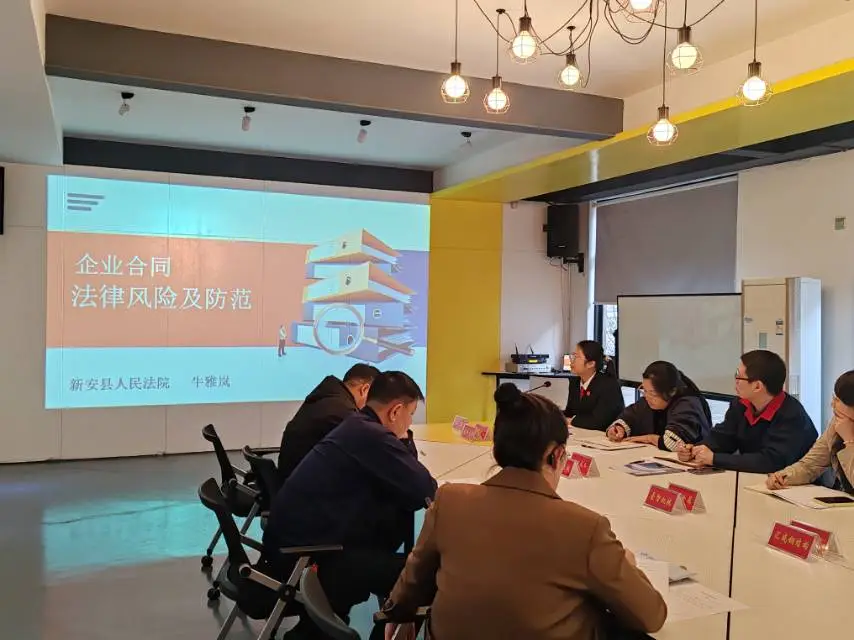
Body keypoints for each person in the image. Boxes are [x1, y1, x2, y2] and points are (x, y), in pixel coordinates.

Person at [380, 383, 667, 640]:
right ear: (557, 455)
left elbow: (411, 585)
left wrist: (397, 612)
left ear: (497, 450)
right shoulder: (585, 528)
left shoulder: (450, 501)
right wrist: (628, 566)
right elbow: (651, 616)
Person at [264, 371, 437, 640]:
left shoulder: (356, 425)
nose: (410, 422)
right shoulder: (372, 436)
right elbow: (424, 489)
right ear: (395, 411)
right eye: (411, 414)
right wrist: (404, 438)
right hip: (315, 556)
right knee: (420, 576)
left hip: (297, 545)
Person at [678, 350, 817, 473]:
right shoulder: (740, 404)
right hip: (755, 479)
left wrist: (714, 459)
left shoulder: (791, 415)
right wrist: (694, 449)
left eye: (739, 376)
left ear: (757, 386)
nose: (735, 381)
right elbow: (723, 437)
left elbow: (771, 461)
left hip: (797, 485)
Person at [276, 363, 380, 483]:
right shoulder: (342, 413)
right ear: (365, 389)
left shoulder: (326, 400)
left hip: (296, 482)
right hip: (308, 488)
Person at [767, 370, 854, 494]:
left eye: (839, 400)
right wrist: (782, 476)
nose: (832, 404)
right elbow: (809, 466)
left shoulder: (843, 426)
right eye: (834, 398)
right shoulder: (837, 424)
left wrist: (849, 441)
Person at [605, 361, 711, 451]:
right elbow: (629, 416)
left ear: (672, 391)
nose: (647, 397)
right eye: (644, 390)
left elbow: (674, 443)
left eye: (653, 393)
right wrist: (619, 429)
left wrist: (650, 438)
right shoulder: (649, 400)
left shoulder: (688, 403)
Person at [564, 340, 625, 431]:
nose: (571, 360)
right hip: (582, 432)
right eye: (572, 355)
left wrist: (571, 421)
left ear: (591, 364)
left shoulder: (608, 385)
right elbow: (570, 412)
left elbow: (599, 421)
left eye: (576, 357)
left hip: (605, 435)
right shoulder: (575, 382)